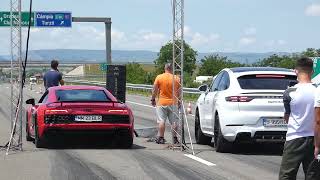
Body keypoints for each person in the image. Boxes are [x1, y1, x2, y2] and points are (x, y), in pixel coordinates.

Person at [279, 57, 318, 180]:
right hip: (315, 138)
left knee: (287, 175)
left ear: (295, 71)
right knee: (313, 175)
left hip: (294, 138)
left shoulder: (289, 92)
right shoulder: (318, 90)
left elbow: (287, 117)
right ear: (312, 71)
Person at [151, 63, 180, 144]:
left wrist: (153, 99)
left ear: (165, 68)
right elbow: (179, 92)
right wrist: (179, 101)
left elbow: (155, 90)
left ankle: (161, 137)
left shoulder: (159, 77)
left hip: (162, 102)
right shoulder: (176, 78)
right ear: (172, 69)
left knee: (161, 120)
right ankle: (174, 138)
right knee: (174, 121)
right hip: (173, 102)